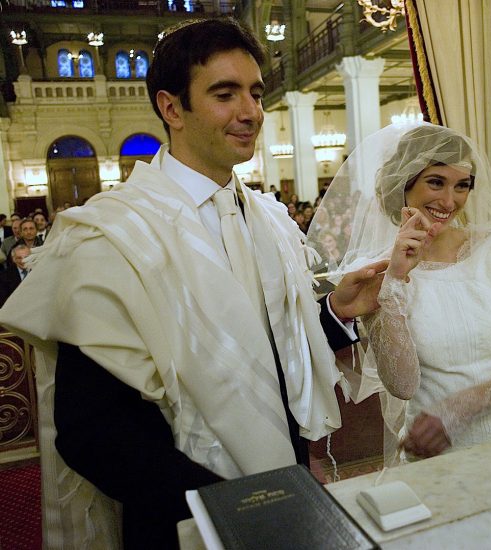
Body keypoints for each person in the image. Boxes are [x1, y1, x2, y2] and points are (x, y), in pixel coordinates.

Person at [0, 18, 385, 550]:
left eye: (255, 92)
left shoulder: (269, 218)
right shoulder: (111, 235)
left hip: (283, 489)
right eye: (225, 94)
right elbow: (93, 433)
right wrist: (231, 505)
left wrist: (337, 314)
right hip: (182, 519)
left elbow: (264, 350)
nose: (250, 112)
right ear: (172, 108)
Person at [308, 123, 491, 462]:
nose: (449, 201)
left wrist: (458, 409)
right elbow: (402, 385)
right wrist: (395, 279)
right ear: (404, 182)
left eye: (462, 186)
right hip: (436, 450)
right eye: (435, 182)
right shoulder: (376, 270)